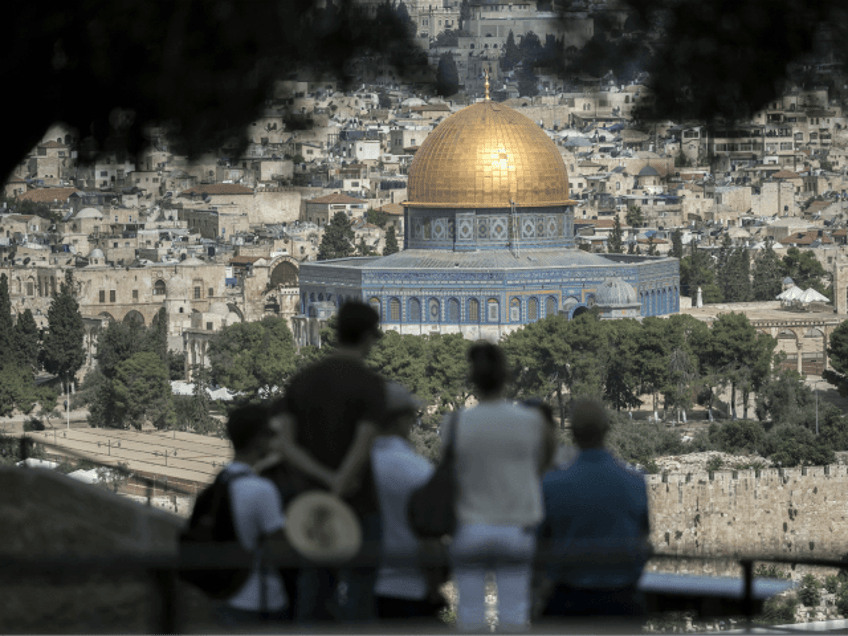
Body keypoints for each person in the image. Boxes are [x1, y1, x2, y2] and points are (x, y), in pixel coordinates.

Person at [270, 300, 386, 622]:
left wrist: (323, 479)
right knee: (361, 596)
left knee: (315, 591)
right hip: (360, 503)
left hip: (311, 502)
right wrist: (340, 483)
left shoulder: (302, 381)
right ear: (367, 338)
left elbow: (284, 446)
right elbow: (363, 446)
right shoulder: (370, 384)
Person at [445, 342, 555, 631]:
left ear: (473, 380)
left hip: (469, 525)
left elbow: (450, 472)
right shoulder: (531, 421)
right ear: (506, 377)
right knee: (514, 611)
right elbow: (543, 465)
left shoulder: (455, 423)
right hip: (515, 527)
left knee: (468, 612)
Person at [537, 398, 651, 621]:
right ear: (607, 429)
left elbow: (542, 541)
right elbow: (643, 536)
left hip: (567, 600)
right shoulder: (635, 483)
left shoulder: (552, 484)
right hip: (621, 600)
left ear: (573, 434)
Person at [371, 382, 448, 622]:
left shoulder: (358, 468)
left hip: (364, 587)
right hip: (411, 588)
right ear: (401, 420)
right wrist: (435, 586)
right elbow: (430, 536)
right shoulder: (418, 470)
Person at [216, 404, 291, 627]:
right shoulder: (261, 490)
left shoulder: (222, 479)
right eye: (271, 435)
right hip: (259, 601)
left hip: (227, 594)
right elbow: (281, 548)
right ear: (259, 439)